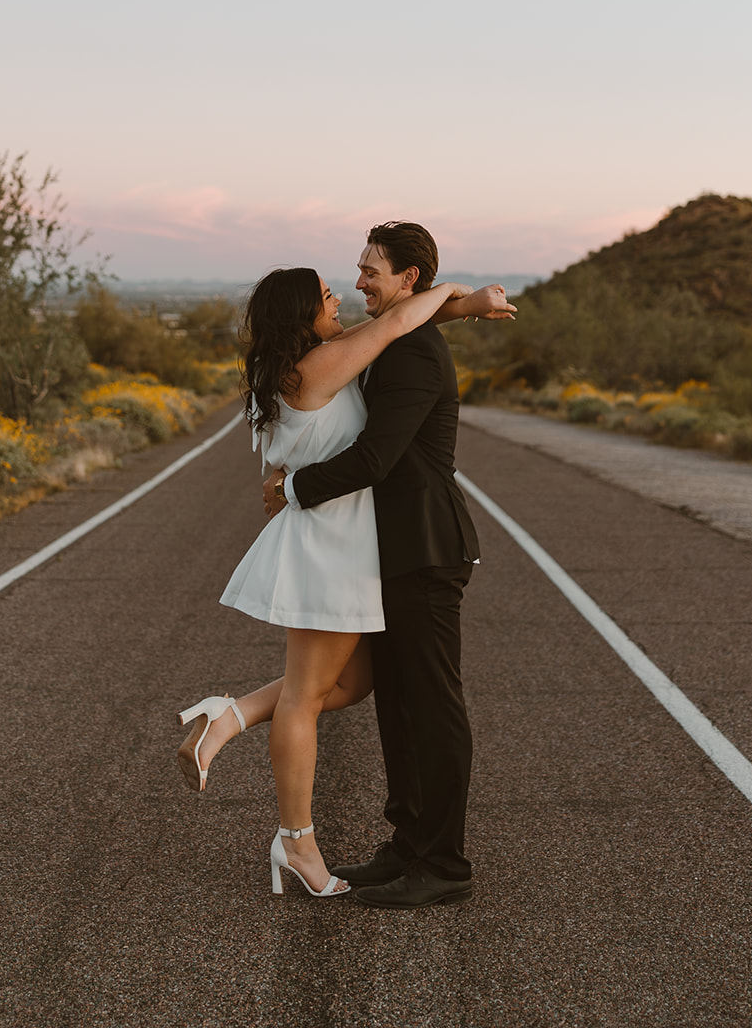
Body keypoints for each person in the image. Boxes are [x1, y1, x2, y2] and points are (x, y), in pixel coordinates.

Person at [177, 249, 514, 900]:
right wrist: (462, 300)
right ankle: (297, 841)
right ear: (303, 315)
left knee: (355, 681)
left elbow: (395, 323)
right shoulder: (324, 363)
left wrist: (464, 304)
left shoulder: (306, 361)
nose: (343, 296)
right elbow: (391, 326)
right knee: (308, 695)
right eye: (329, 293)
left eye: (361, 277)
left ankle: (230, 716)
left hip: (348, 541)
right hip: (329, 541)